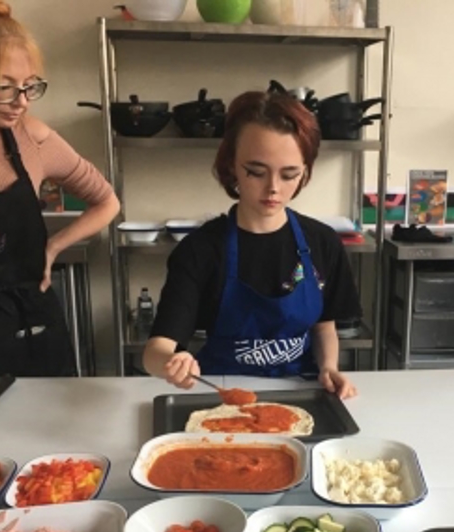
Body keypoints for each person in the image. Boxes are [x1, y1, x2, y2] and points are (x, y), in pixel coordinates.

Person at [143, 90, 362, 399]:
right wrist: (172, 363)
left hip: (302, 390)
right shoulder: (200, 251)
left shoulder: (322, 243)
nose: (273, 188)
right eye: (256, 172)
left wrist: (328, 367)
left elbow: (324, 326)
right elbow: (156, 349)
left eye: (290, 175)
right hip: (221, 392)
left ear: (305, 172)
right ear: (232, 165)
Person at [0, 0, 119, 377]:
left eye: (30, 87)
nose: (21, 103)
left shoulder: (33, 140)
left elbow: (107, 201)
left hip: (34, 327)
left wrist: (55, 246)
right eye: (4, 89)